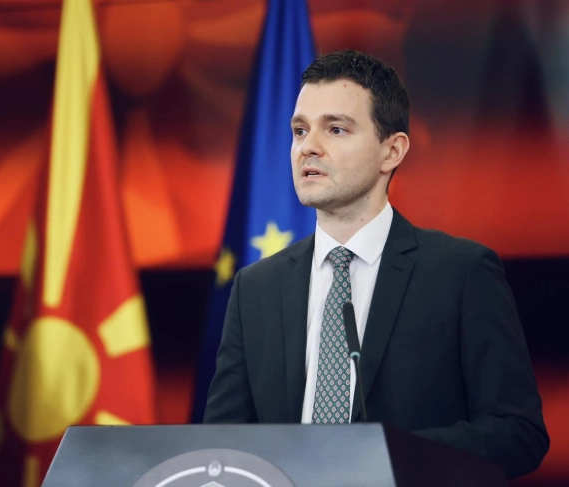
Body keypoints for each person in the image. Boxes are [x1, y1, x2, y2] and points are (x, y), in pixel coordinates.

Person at [203, 50, 549, 478]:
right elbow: (221, 446)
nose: (308, 147)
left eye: (335, 129)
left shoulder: (462, 274)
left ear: (392, 151)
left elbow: (518, 433)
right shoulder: (255, 288)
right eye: (299, 130)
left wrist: (386, 456)